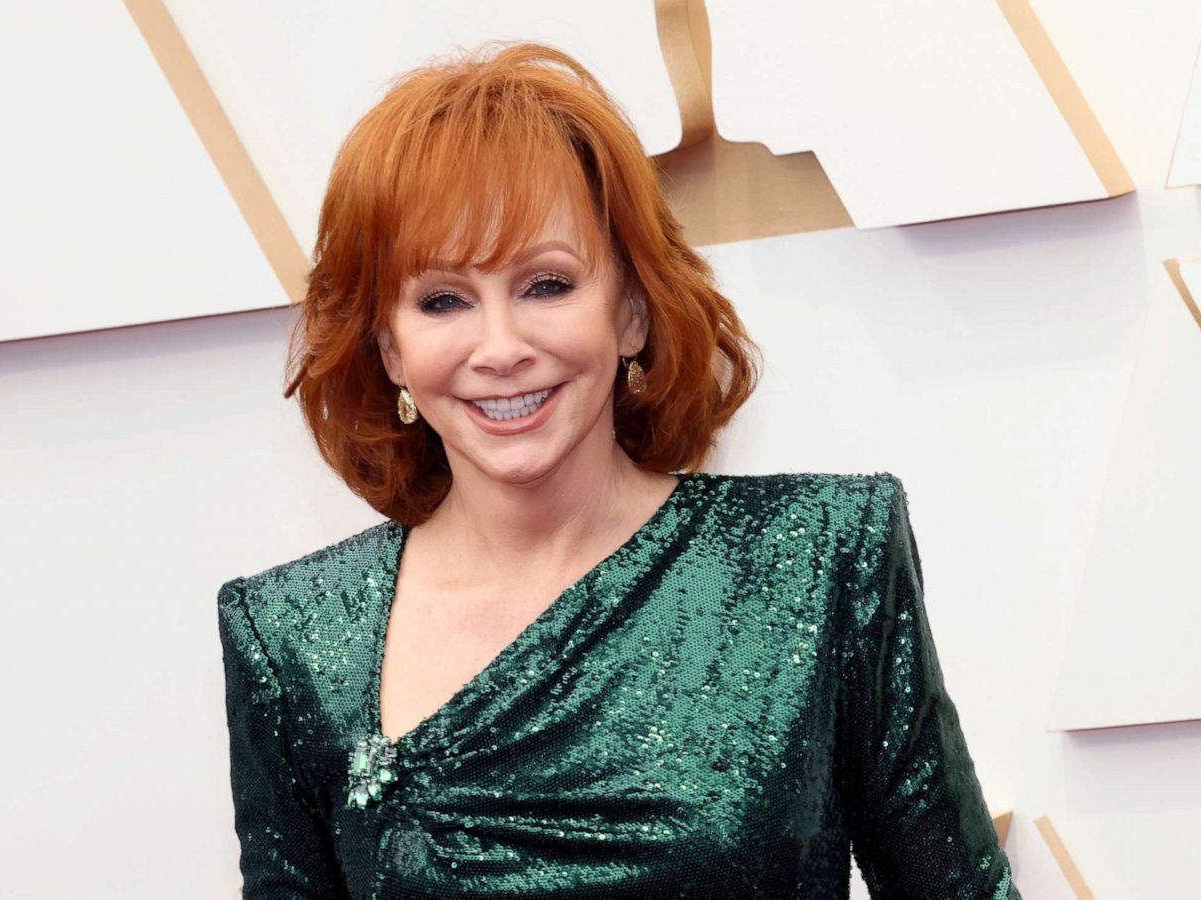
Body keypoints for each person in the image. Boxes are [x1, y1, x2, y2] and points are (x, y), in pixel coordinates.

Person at [216, 41, 1021, 899]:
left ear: (631, 312)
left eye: (547, 285)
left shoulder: (821, 558)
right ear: (391, 350)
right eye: (444, 300)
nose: (501, 348)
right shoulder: (291, 637)